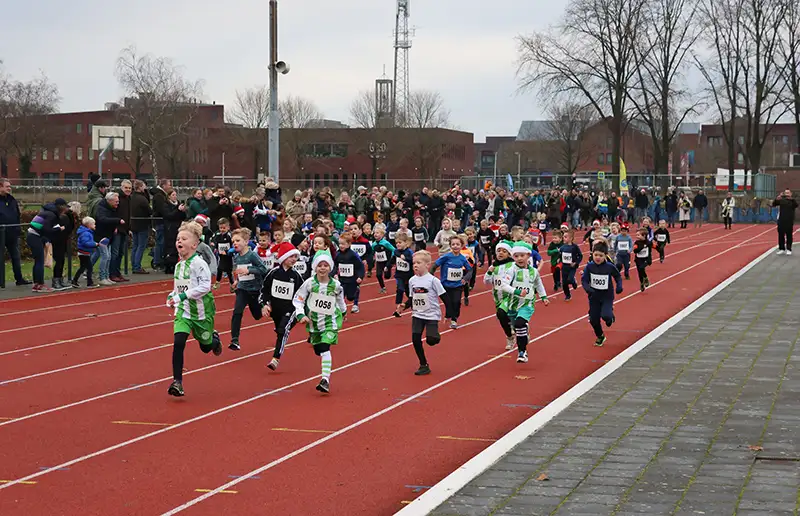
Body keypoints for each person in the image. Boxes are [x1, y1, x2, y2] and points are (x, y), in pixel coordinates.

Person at [165, 221, 223, 397]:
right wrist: (171, 295)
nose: (179, 241)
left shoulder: (199, 263)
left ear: (194, 244)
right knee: (178, 343)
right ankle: (177, 382)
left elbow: (206, 287)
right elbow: (179, 289)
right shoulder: (179, 266)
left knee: (206, 347)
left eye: (183, 238)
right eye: (177, 238)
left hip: (201, 312)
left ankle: (214, 339)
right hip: (183, 312)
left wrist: (181, 296)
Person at [292, 249, 347, 393]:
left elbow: (340, 300)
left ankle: (325, 380)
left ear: (330, 267)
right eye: (320, 265)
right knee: (319, 349)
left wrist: (343, 311)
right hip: (314, 323)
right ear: (315, 267)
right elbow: (298, 299)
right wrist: (300, 314)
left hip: (331, 321)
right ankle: (323, 362)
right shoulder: (310, 283)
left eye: (326, 265)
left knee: (325, 346)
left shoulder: (335, 285)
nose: (323, 268)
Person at [498, 241, 549, 363]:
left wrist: (543, 297)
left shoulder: (534, 271)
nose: (519, 258)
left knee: (520, 324)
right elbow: (504, 285)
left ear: (528, 255)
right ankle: (520, 333)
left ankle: (522, 352)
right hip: (512, 302)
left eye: (522, 255)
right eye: (516, 256)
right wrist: (515, 291)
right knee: (514, 324)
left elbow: (538, 284)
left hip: (527, 304)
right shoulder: (512, 270)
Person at [260, 242, 304, 371]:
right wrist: (264, 304)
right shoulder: (273, 273)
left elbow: (302, 294)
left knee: (283, 330)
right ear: (284, 257)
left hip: (290, 310)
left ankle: (276, 358)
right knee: (279, 330)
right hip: (276, 310)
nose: (294, 260)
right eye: (292, 256)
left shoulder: (296, 276)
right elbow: (264, 290)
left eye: (296, 257)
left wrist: (301, 310)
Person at [402, 250, 446, 375]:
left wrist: (449, 314)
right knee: (415, 339)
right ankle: (423, 364)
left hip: (431, 314)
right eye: (414, 263)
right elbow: (412, 298)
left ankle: (435, 335)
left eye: (418, 263)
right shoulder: (412, 280)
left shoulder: (433, 281)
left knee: (431, 340)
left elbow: (444, 297)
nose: (415, 265)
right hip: (417, 314)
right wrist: (404, 306)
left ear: (427, 265)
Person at [230, 227, 268, 350]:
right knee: (237, 311)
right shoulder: (236, 257)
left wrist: (249, 270)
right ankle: (234, 340)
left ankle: (267, 307)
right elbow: (240, 271)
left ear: (246, 242)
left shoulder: (252, 255)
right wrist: (237, 281)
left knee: (257, 315)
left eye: (237, 240)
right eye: (233, 241)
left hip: (255, 290)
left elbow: (263, 269)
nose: (234, 243)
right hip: (242, 289)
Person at [581, 241, 623, 347]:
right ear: (592, 254)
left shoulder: (609, 267)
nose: (598, 258)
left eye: (601, 255)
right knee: (593, 319)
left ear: (605, 256)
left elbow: (617, 276)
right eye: (596, 255)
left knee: (605, 316)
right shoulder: (589, 267)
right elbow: (584, 280)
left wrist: (619, 287)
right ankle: (600, 336)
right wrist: (588, 289)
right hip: (594, 297)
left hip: (607, 296)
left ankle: (610, 316)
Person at [26, 199, 69, 293]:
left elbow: (42, 227)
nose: (66, 210)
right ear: (61, 207)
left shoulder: (47, 212)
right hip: (35, 236)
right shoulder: (51, 215)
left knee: (38, 260)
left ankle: (37, 284)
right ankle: (40, 284)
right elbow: (46, 229)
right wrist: (59, 229)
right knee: (39, 261)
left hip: (34, 235)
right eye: (65, 207)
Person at [431, 235, 472, 329]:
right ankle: (448, 315)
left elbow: (470, 270)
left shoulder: (462, 258)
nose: (455, 246)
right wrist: (430, 277)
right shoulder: (446, 257)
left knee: (456, 302)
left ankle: (454, 319)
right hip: (445, 285)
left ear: (461, 246)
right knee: (448, 303)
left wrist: (465, 279)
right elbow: (434, 265)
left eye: (458, 244)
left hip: (457, 285)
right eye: (453, 244)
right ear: (450, 246)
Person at [484, 240, 515, 350]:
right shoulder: (493, 266)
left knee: (502, 313)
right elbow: (486, 282)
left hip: (510, 296)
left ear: (509, 254)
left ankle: (516, 331)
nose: (500, 253)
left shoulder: (512, 265)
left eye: (504, 251)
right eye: (498, 251)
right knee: (502, 317)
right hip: (498, 297)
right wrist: (489, 272)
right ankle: (510, 336)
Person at [0, 179, 31, 286]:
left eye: (10, 186)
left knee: (16, 257)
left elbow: (17, 215)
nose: (9, 188)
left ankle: (19, 279)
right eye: (7, 186)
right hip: (1, 233)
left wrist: (17, 229)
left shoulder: (12, 200)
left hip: (12, 234)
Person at [93, 192, 124, 286]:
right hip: (101, 236)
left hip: (108, 235)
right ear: (109, 201)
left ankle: (105, 276)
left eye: (118, 201)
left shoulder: (112, 208)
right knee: (105, 256)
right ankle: (102, 277)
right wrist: (117, 221)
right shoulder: (101, 208)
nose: (117, 203)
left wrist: (114, 226)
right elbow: (102, 219)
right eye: (116, 201)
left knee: (108, 256)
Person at [51, 201, 79, 290]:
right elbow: (64, 228)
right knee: (59, 260)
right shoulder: (63, 217)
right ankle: (56, 280)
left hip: (62, 240)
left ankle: (59, 279)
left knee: (61, 260)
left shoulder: (67, 216)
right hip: (58, 240)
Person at [72, 216, 105, 288]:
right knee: (89, 267)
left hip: (84, 252)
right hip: (84, 253)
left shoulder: (87, 232)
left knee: (83, 267)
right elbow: (85, 243)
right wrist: (95, 244)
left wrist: (94, 243)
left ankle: (75, 281)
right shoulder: (86, 233)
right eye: (94, 224)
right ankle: (89, 283)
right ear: (89, 225)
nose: (95, 225)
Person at [110, 179, 133, 282]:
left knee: (120, 253)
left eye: (129, 188)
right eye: (126, 188)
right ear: (121, 187)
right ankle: (112, 273)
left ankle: (118, 273)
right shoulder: (118, 198)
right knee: (114, 253)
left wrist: (129, 228)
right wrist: (115, 226)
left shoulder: (129, 199)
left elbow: (127, 215)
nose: (128, 190)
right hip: (117, 229)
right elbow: (113, 212)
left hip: (124, 229)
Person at [130, 179, 152, 274]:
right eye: (143, 186)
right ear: (140, 187)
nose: (145, 188)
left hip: (133, 224)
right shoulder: (142, 199)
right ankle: (137, 266)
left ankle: (134, 265)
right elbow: (149, 210)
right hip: (142, 224)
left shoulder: (131, 197)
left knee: (135, 245)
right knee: (141, 246)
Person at [559, 230, 583, 301]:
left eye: (565, 237)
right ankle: (567, 295)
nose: (564, 238)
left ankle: (573, 281)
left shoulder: (575, 247)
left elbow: (580, 256)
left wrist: (576, 263)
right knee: (564, 283)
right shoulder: (562, 247)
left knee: (569, 279)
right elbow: (561, 255)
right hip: (564, 267)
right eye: (563, 237)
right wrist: (559, 259)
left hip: (572, 267)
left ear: (571, 238)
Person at [774, 189, 798, 255]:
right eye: (786, 193)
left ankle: (789, 249)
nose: (787, 194)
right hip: (781, 220)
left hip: (789, 221)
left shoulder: (793, 201)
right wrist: (777, 198)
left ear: (790, 193)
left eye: (788, 193)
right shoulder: (781, 200)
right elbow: (774, 204)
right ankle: (781, 248)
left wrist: (791, 198)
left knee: (789, 235)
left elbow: (796, 205)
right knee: (781, 235)